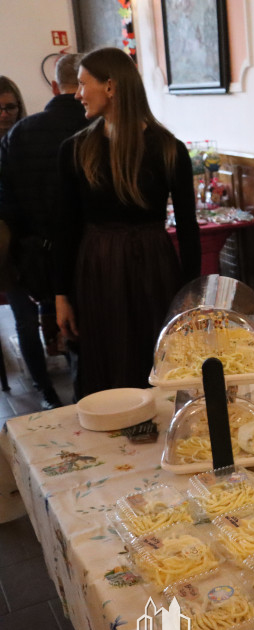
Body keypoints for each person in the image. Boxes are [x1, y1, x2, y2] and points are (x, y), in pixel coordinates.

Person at [55, 47, 200, 398]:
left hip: (153, 266)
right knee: (106, 357)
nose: (77, 94)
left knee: (156, 356)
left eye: (82, 84)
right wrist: (61, 294)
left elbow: (188, 228)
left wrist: (190, 294)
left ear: (110, 86)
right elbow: (65, 226)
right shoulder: (75, 150)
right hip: (98, 268)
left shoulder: (168, 149)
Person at [0, 55, 88, 409]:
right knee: (27, 321)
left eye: (10, 106)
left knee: (63, 320)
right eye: (0, 108)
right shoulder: (82, 125)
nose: (5, 113)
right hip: (22, 248)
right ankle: (47, 390)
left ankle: (62, 387)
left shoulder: (23, 134)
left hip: (33, 243)